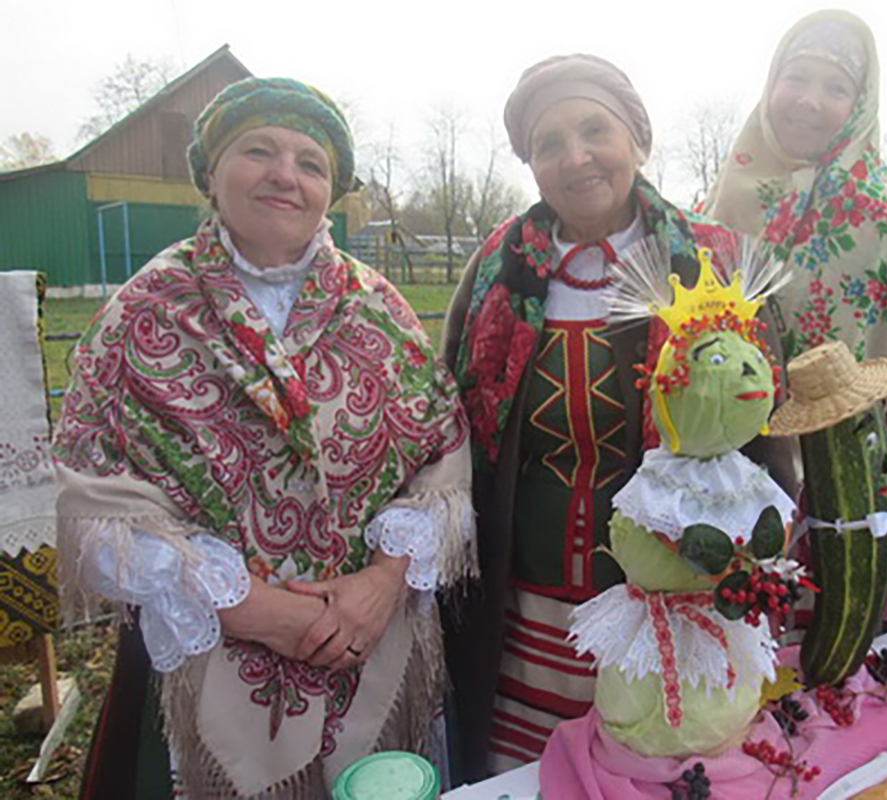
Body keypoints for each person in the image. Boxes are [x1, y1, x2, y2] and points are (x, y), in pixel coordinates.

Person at [53, 77, 475, 799]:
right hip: (208, 661)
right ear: (211, 175)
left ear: (331, 189)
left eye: (310, 163)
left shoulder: (382, 311)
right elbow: (86, 498)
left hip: (370, 649)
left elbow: (443, 463)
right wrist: (243, 605)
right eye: (258, 151)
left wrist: (382, 584)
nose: (286, 174)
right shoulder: (143, 313)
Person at [440, 54, 797, 780]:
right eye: (548, 143)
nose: (575, 157)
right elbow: (449, 421)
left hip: (677, 606)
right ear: (531, 164)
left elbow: (767, 429)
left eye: (594, 129)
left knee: (654, 774)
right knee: (529, 781)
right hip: (525, 616)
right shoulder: (496, 270)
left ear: (637, 137)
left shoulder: (713, 261)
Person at [704, 10, 887, 615]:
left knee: (811, 701)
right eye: (796, 78)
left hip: (835, 528)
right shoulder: (720, 209)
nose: (809, 101)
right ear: (770, 84)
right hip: (714, 517)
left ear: (861, 104)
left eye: (836, 88)